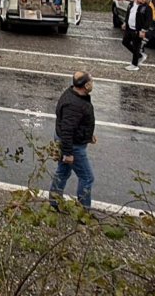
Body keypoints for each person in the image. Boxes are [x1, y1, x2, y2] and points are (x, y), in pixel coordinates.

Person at [49, 71, 96, 209]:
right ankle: (84, 211)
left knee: (63, 172)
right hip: (73, 146)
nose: (93, 84)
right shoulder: (74, 105)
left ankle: (54, 203)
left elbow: (77, 123)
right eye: (91, 82)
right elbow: (67, 130)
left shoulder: (73, 94)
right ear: (85, 85)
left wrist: (88, 135)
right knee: (87, 177)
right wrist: (68, 153)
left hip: (71, 141)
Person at [122, 0, 152, 70]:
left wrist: (143, 30)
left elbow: (148, 20)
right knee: (125, 42)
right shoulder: (131, 4)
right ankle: (139, 55)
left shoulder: (146, 8)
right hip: (130, 28)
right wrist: (125, 23)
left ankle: (134, 65)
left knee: (136, 46)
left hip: (138, 30)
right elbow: (128, 14)